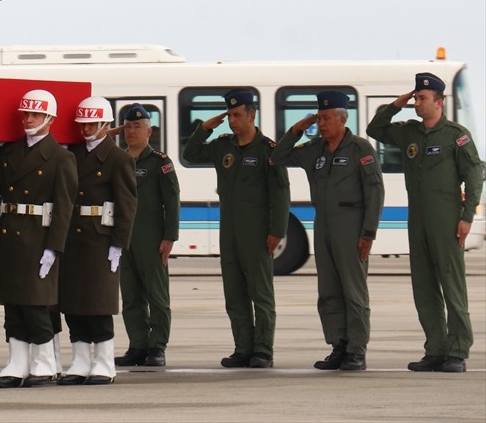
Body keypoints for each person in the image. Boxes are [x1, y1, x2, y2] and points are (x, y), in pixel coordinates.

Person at [367, 72, 482, 373]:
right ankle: (436, 349)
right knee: (424, 287)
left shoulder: (456, 135)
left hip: (446, 221)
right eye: (416, 98)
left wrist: (467, 216)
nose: (417, 103)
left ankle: (458, 351)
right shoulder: (409, 132)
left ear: (439, 102)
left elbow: (473, 175)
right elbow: (374, 128)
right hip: (417, 221)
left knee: (452, 287)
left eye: (422, 98)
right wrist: (396, 104)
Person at [272, 90, 384, 371]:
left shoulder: (361, 149)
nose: (321, 124)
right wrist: (296, 130)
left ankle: (357, 350)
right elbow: (279, 157)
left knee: (353, 291)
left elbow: (375, 192)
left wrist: (368, 233)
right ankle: (339, 346)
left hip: (352, 224)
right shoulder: (314, 150)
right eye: (318, 118)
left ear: (342, 119)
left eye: (326, 118)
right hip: (323, 225)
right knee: (329, 289)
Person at [183, 89, 290, 369]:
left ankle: (263, 350)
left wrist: (277, 230)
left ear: (251, 115)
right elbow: (191, 154)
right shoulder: (222, 146)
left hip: (256, 232)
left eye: (237, 115)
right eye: (229, 115)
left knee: (260, 293)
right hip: (229, 232)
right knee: (234, 292)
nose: (232, 120)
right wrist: (205, 128)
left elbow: (280, 192)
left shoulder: (268, 149)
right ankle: (243, 348)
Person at [0, 89, 75, 388]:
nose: (28, 120)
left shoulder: (61, 157)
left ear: (49, 119)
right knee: (12, 305)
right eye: (26, 114)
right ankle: (17, 361)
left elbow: (64, 207)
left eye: (34, 114)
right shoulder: (9, 152)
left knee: (35, 305)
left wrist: (54, 248)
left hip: (37, 236)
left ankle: (45, 362)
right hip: (9, 234)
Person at [56, 96, 136, 386]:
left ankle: (104, 362)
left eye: (92, 123)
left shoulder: (119, 159)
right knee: (73, 303)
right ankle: (79, 360)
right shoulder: (71, 154)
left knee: (99, 304)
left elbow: (127, 205)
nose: (87, 128)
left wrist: (119, 244)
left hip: (100, 237)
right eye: (83, 123)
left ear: (105, 124)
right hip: (72, 234)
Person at [116, 103, 179, 368]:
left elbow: (172, 200)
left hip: (151, 238)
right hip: (123, 238)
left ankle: (157, 347)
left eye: (137, 127)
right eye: (128, 127)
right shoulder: (117, 159)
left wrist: (169, 237)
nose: (132, 132)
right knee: (130, 297)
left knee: (157, 296)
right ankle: (137, 345)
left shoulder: (159, 162)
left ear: (149, 131)